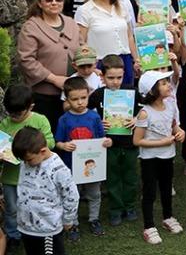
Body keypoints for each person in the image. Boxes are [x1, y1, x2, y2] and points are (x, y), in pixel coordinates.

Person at [17, 0, 81, 132]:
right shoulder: (31, 27)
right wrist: (53, 78)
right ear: (40, 3)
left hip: (74, 94)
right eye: (49, 0)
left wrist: (90, 68)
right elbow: (27, 60)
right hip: (45, 96)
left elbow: (82, 49)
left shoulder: (71, 23)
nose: (54, 3)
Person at [54, 77, 112, 240]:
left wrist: (108, 142)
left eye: (83, 98)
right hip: (71, 167)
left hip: (93, 167)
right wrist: (63, 146)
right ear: (67, 99)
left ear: (88, 96)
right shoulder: (64, 119)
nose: (80, 102)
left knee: (94, 193)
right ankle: (72, 223)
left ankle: (94, 219)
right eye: (75, 99)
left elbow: (102, 139)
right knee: (73, 195)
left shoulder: (94, 117)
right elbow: (57, 142)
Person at [132, 70, 185, 244]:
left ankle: (167, 217)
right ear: (152, 91)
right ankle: (148, 226)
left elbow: (173, 125)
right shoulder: (144, 113)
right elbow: (137, 140)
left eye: (167, 81)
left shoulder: (170, 106)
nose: (168, 85)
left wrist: (180, 132)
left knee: (166, 188)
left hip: (168, 156)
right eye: (163, 83)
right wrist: (162, 142)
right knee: (149, 192)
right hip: (150, 159)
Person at [86, 55, 140, 226]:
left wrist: (136, 119)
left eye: (119, 77)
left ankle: (130, 206)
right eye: (111, 78)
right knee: (113, 177)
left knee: (130, 176)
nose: (115, 82)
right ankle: (115, 209)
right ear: (102, 76)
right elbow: (85, 113)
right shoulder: (98, 94)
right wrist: (97, 120)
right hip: (108, 145)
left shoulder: (131, 92)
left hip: (130, 143)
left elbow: (145, 109)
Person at [0, 86, 56, 249]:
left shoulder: (39, 120)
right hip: (12, 177)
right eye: (12, 114)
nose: (15, 117)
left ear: (30, 106)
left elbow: (50, 142)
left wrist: (33, 148)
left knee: (36, 205)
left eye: (19, 113)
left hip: (36, 176)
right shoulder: (4, 123)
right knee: (11, 208)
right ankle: (13, 235)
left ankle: (36, 232)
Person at [11, 127, 78, 255]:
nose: (25, 163)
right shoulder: (27, 161)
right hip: (26, 227)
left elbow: (71, 195)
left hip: (48, 230)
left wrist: (68, 219)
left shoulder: (58, 169)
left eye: (29, 160)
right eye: (23, 160)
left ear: (42, 151)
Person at [75, 0, 139, 87]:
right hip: (101, 66)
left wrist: (136, 60)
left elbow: (129, 36)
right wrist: (91, 67)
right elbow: (80, 42)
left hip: (125, 63)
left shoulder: (121, 6)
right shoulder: (84, 10)